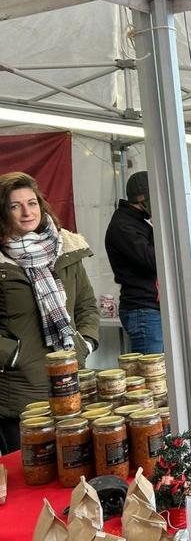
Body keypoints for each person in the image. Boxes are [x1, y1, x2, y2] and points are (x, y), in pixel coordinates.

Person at [0, 172, 99, 453]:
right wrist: (13, 355)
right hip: (20, 391)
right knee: (29, 476)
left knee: (73, 468)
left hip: (69, 380)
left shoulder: (65, 247)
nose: (26, 211)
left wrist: (86, 343)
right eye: (14, 205)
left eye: (32, 203)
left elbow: (86, 305)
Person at [105, 171, 162, 354]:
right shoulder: (124, 226)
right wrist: (161, 226)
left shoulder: (137, 223)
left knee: (159, 371)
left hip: (149, 307)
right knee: (152, 371)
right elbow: (154, 260)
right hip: (142, 310)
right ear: (143, 199)